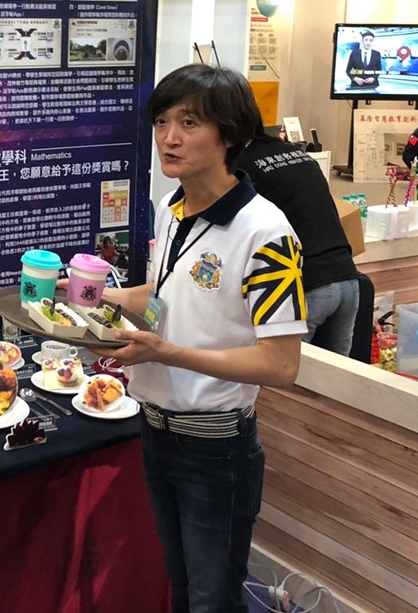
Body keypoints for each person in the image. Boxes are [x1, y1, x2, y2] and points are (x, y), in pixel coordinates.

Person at [99, 64, 306, 613]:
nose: (170, 138)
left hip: (216, 448)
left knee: (212, 600)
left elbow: (281, 364)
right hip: (155, 430)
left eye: (189, 123)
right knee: (181, 588)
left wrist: (166, 352)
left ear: (230, 135)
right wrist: (101, 297)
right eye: (162, 121)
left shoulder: (266, 232)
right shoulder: (173, 208)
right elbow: (169, 295)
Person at [236, 124, 360, 355]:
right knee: (334, 375)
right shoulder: (296, 153)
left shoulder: (238, 167)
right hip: (348, 279)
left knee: (284, 372)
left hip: (304, 287)